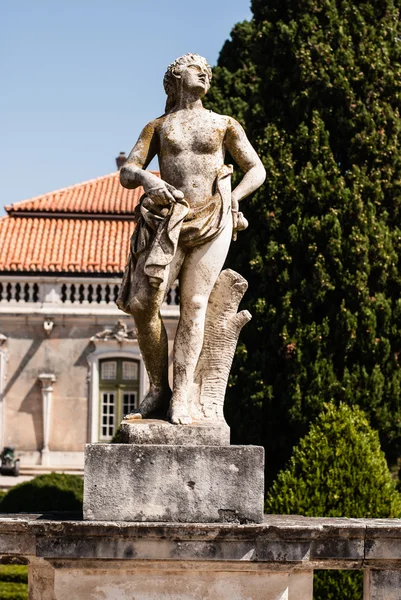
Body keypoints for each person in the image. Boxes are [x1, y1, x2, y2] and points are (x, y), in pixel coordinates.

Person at [118, 53, 266, 425]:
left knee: (195, 305)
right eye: (193, 67)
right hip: (168, 220)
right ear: (174, 80)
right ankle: (157, 387)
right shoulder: (160, 126)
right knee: (142, 304)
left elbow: (257, 169)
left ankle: (182, 395)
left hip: (212, 219)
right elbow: (128, 170)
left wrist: (234, 198)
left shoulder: (223, 124)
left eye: (206, 69)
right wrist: (149, 178)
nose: (203, 71)